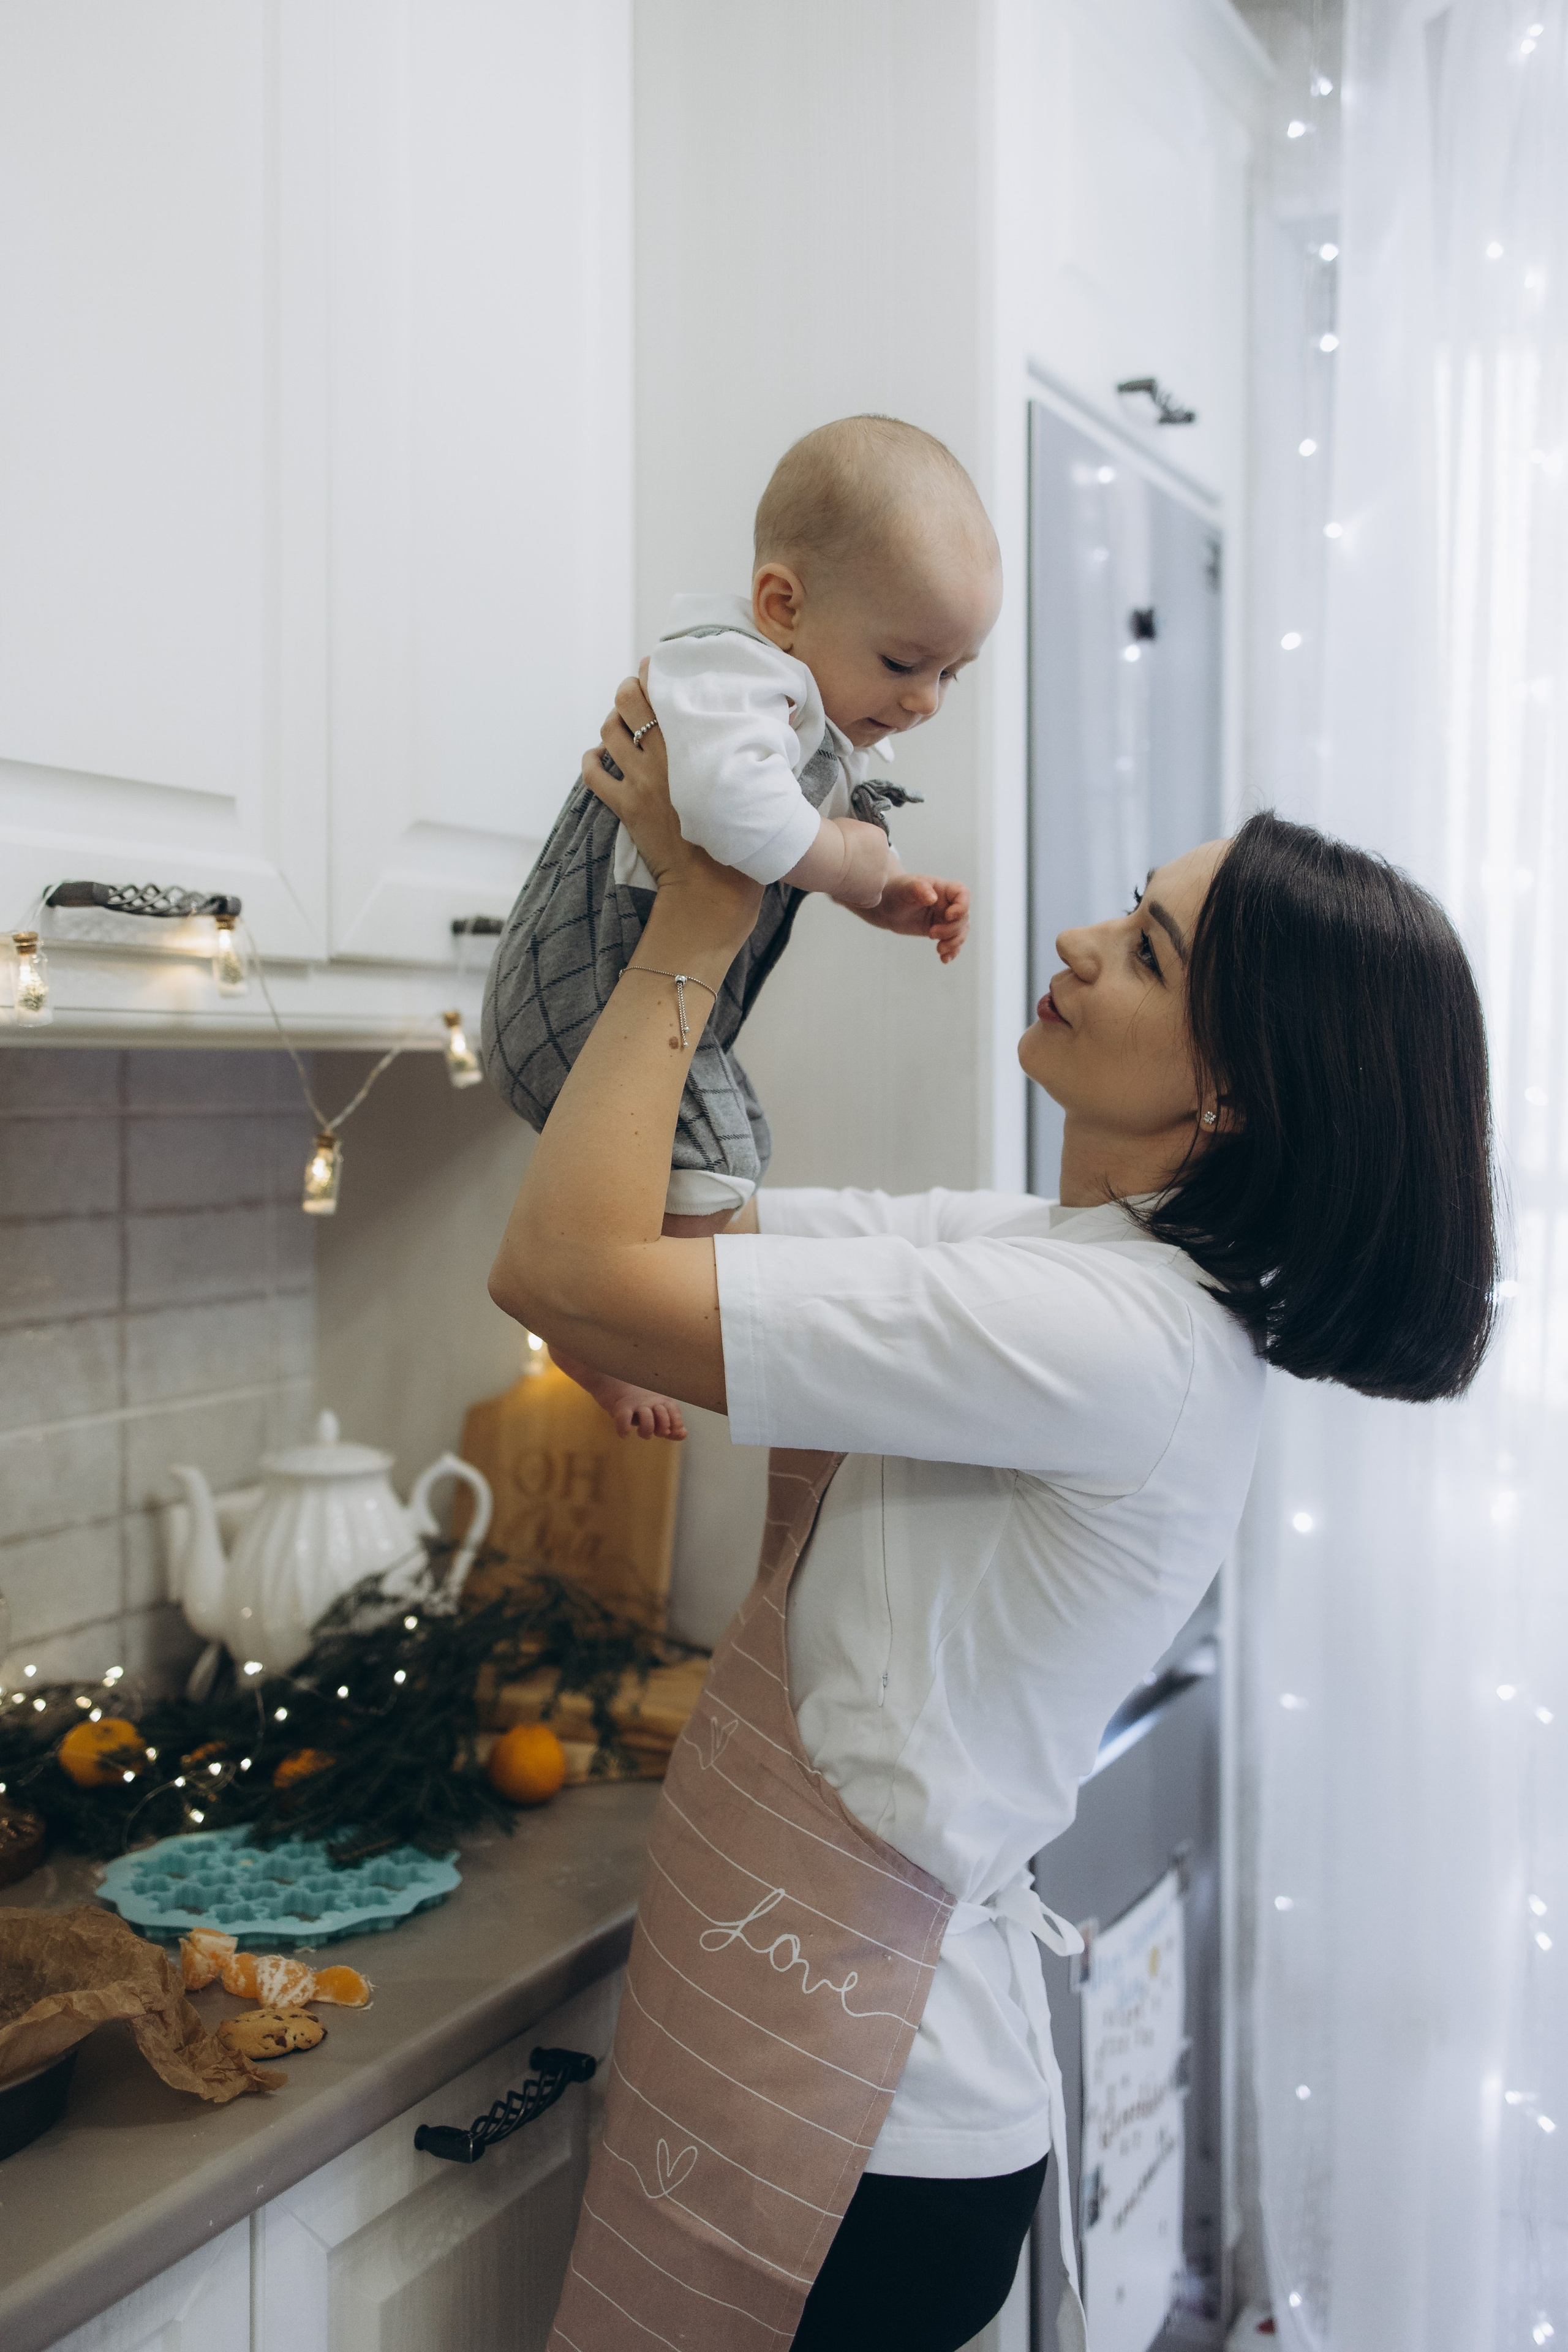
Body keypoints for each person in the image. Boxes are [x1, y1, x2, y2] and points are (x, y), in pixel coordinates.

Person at [488, 681, 1498, 2352]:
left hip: (868, 2144)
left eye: (1152, 951)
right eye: (1129, 907)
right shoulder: (1049, 1262)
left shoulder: (1114, 1340)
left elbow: (564, 1271)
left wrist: (703, 908)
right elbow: (660, 1235)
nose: (1086, 941)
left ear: (1232, 1094)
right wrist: (732, 865)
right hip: (810, 2079)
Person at [482, 415, 998, 1439]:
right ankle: (594, 1323)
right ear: (782, 605)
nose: (928, 701)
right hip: (582, 994)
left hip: (638, 1002)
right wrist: (850, 857)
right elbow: (736, 818)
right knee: (715, 1164)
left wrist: (876, 892)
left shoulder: (792, 705)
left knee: (740, 1149)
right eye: (906, 662)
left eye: (952, 674)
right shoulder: (731, 673)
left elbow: (763, 841)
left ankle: (603, 1309)